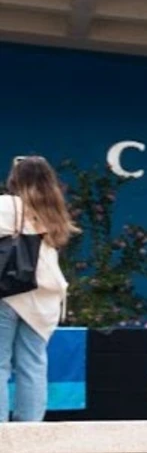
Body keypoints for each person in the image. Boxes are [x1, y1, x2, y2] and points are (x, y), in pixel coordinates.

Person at [0, 157, 75, 422]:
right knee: (33, 364)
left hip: (8, 292)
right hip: (45, 298)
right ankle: (30, 431)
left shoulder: (7, 205)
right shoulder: (53, 211)